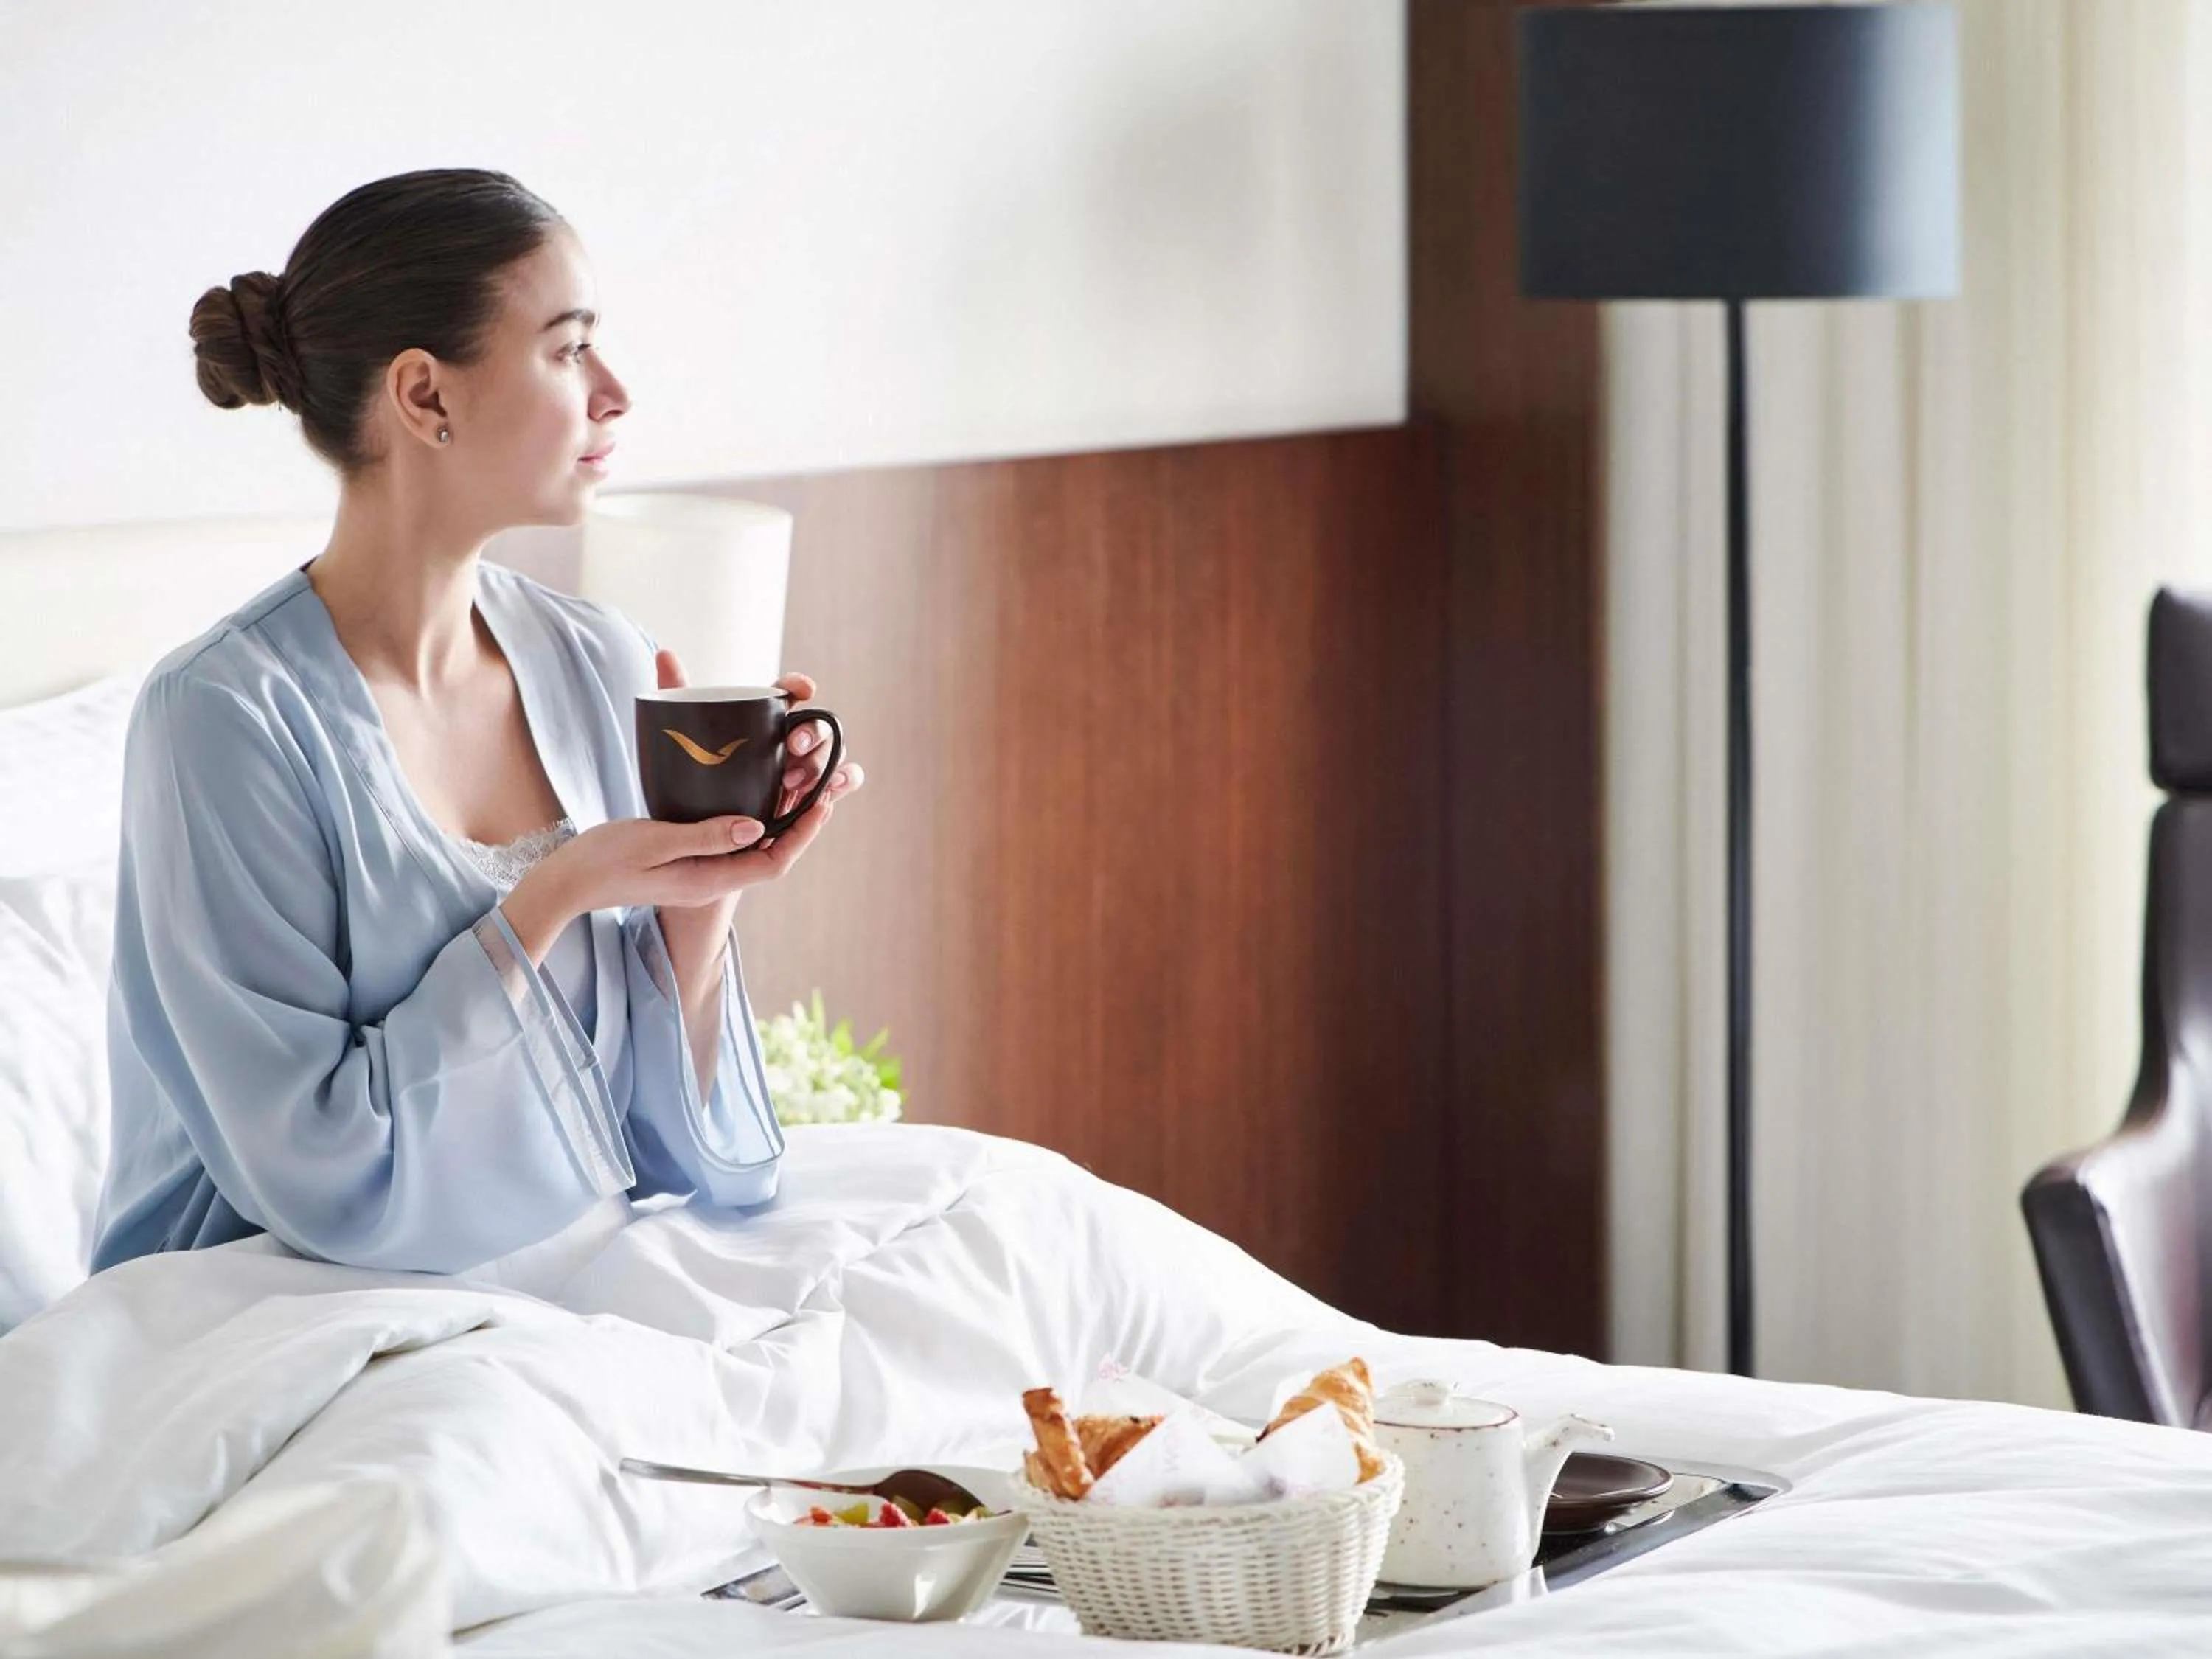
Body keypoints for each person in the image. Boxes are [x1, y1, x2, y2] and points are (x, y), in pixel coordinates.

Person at [91, 169, 863, 1274]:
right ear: (424, 395)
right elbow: (320, 1172)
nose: (615, 393)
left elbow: (687, 1162)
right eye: (568, 347)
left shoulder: (602, 662)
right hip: (260, 1304)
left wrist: (704, 887)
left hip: (551, 1282)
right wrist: (565, 887)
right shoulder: (222, 719)